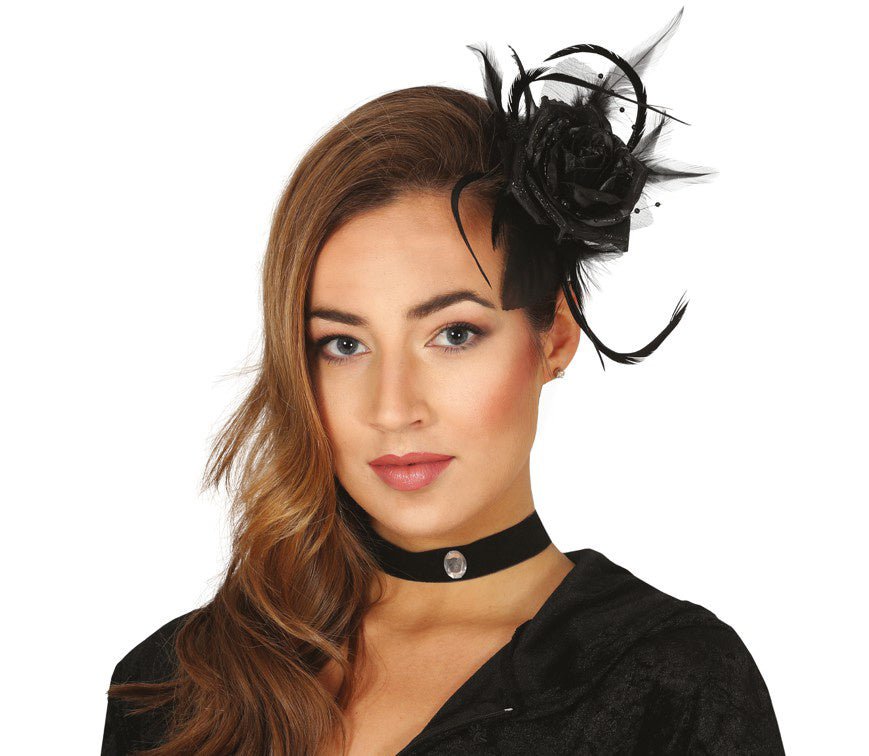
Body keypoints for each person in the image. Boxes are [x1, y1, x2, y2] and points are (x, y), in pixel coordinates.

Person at [101, 11, 785, 755]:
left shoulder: (671, 683)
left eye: (453, 334)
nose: (393, 409)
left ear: (555, 334)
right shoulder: (177, 682)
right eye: (343, 344)